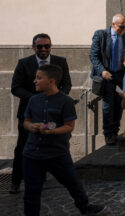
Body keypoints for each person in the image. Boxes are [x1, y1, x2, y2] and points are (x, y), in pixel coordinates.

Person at [22, 64, 105, 215]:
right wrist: (31, 127)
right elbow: (26, 121)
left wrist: (51, 131)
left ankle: (85, 207)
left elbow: (69, 126)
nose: (35, 81)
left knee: (73, 183)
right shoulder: (33, 100)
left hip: (57, 153)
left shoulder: (66, 101)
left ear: (51, 81)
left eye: (39, 78)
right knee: (31, 192)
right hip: (32, 153)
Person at [10, 33, 72, 194]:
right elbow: (15, 87)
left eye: (47, 46)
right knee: (23, 147)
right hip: (29, 113)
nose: (44, 49)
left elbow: (67, 84)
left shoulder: (60, 62)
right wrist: (35, 99)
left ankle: (65, 182)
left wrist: (57, 98)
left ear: (51, 46)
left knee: (56, 145)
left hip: (54, 114)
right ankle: (15, 182)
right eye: (40, 46)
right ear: (33, 47)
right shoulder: (24, 63)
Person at [89, 13, 125, 145]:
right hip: (107, 75)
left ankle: (115, 132)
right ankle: (108, 134)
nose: (124, 30)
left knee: (118, 104)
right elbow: (93, 56)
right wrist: (102, 71)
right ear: (113, 24)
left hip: (120, 75)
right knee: (107, 105)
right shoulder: (101, 35)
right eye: (121, 27)